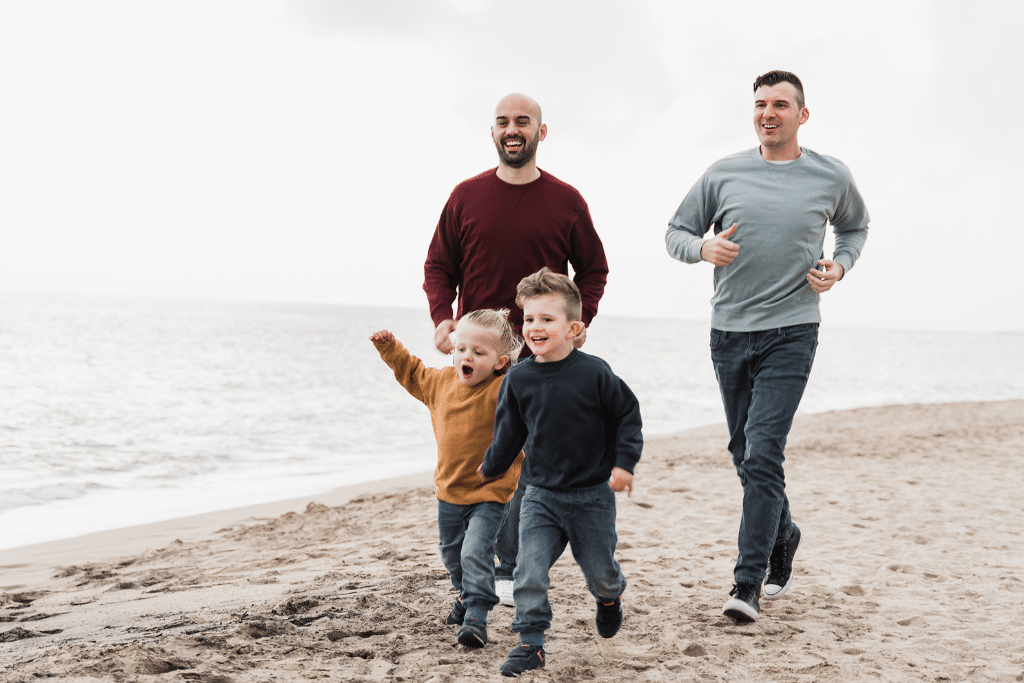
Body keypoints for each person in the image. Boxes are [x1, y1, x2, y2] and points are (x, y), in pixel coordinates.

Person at [665, 70, 870, 623]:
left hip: (793, 331)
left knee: (762, 452)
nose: (768, 112)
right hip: (729, 333)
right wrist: (701, 249)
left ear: (803, 115)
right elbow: (676, 233)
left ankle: (747, 583)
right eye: (760, 104)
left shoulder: (830, 175)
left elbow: (854, 229)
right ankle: (786, 531)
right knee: (744, 454)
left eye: (781, 104)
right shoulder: (724, 172)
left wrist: (840, 266)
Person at [423, 92, 610, 605]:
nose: (513, 129)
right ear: (492, 132)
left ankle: (505, 567)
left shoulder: (566, 200)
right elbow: (439, 266)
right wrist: (444, 318)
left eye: (523, 122)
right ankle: (473, 570)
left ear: (540, 132)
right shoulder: (465, 196)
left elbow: (593, 269)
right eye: (503, 122)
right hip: (479, 363)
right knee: (478, 459)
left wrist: (580, 320)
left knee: (531, 465)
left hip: (542, 359)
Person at [478, 268, 643, 677]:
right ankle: (531, 644)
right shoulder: (518, 378)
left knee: (601, 574)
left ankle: (609, 598)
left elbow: (627, 417)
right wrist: (492, 466)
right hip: (540, 496)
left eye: (546, 319)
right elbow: (510, 431)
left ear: (573, 328)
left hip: (591, 497)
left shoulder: (595, 373)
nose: (535, 327)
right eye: (529, 319)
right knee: (528, 573)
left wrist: (623, 465)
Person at [370, 309, 525, 649]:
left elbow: (539, 407)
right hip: (449, 494)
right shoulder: (440, 383)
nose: (466, 356)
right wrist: (390, 348)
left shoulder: (504, 391)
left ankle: (475, 617)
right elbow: (412, 371)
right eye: (461, 349)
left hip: (491, 494)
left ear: (500, 363)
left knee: (475, 553)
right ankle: (465, 595)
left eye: (478, 353)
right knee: (453, 557)